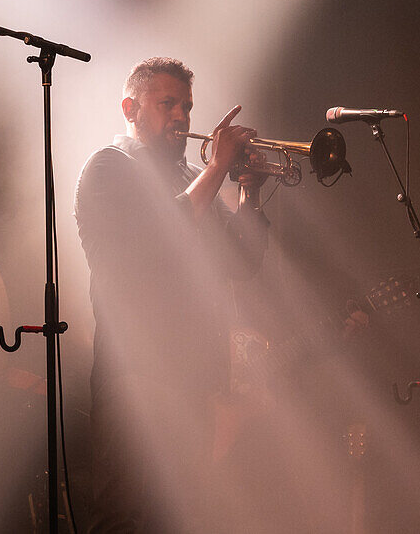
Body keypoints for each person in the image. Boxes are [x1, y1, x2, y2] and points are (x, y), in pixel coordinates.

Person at [74, 57, 269, 533]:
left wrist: (249, 193)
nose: (182, 116)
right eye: (167, 104)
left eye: (186, 106)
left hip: (192, 377)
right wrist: (220, 164)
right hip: (136, 375)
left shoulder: (187, 179)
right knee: (126, 517)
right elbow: (164, 239)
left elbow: (242, 264)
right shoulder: (109, 166)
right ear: (130, 108)